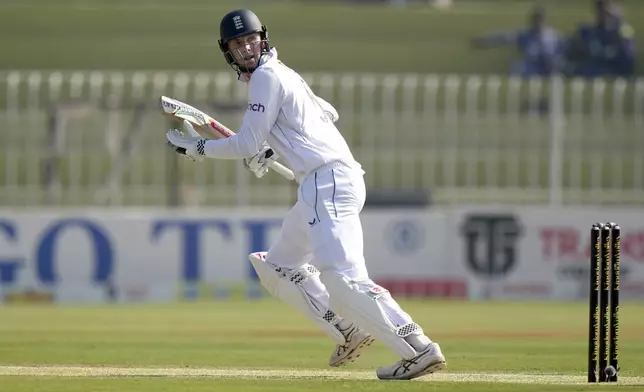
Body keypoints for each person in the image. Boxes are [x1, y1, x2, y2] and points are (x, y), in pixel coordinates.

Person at [165, 8, 446, 381]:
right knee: (275, 266)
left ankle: (418, 349)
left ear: (262, 38)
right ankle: (347, 330)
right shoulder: (283, 74)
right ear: (228, 50)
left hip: (325, 181)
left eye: (250, 39)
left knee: (343, 281)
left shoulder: (266, 76)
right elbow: (320, 117)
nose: (246, 47)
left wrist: (198, 148)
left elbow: (248, 140)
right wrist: (270, 148)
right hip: (323, 181)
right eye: (238, 43)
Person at [471, 6, 565, 78]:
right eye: (536, 18)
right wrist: (485, 41)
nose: (538, 21)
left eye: (540, 18)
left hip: (551, 66)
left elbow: (565, 49)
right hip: (532, 66)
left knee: (558, 69)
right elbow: (504, 38)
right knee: (516, 67)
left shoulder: (554, 35)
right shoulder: (525, 34)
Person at [565, 0, 635, 78]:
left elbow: (628, 61)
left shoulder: (621, 31)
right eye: (600, 9)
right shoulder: (587, 32)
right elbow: (572, 54)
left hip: (612, 73)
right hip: (590, 72)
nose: (603, 13)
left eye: (607, 8)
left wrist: (617, 24)